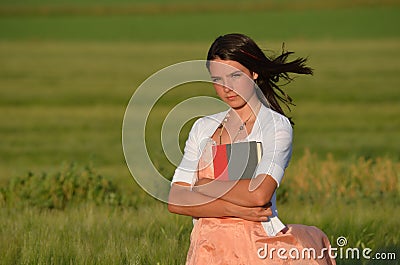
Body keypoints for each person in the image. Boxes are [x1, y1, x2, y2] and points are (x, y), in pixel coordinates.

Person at [168, 33, 335, 264]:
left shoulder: (275, 126)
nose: (227, 88)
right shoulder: (203, 127)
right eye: (218, 80)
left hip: (257, 246)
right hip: (206, 250)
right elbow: (176, 200)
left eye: (235, 76)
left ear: (254, 73)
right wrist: (237, 210)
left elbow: (259, 194)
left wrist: (206, 186)